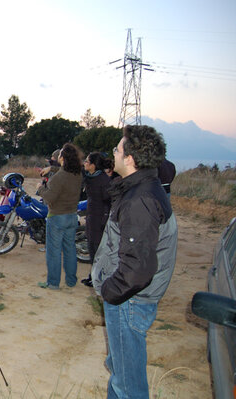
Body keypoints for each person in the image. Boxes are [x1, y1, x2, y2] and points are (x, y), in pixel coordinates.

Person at [91, 125, 178, 399]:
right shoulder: (144, 188)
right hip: (129, 298)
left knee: (128, 386)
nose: (113, 154)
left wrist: (109, 292)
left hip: (129, 300)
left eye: (117, 149)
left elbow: (138, 269)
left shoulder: (140, 199)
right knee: (121, 372)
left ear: (130, 159)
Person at [36, 143, 83, 289]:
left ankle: (53, 283)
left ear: (62, 158)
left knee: (54, 252)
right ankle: (71, 281)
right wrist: (52, 168)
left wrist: (40, 189)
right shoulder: (77, 174)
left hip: (57, 217)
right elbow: (64, 171)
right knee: (70, 250)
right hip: (72, 216)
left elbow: (50, 198)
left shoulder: (59, 178)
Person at [80, 152, 112, 287]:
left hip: (99, 219)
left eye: (87, 161)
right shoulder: (89, 176)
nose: (84, 163)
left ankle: (98, 278)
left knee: (98, 249)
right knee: (92, 248)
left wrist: (103, 221)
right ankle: (93, 276)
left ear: (93, 165)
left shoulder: (104, 181)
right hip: (92, 216)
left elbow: (109, 202)